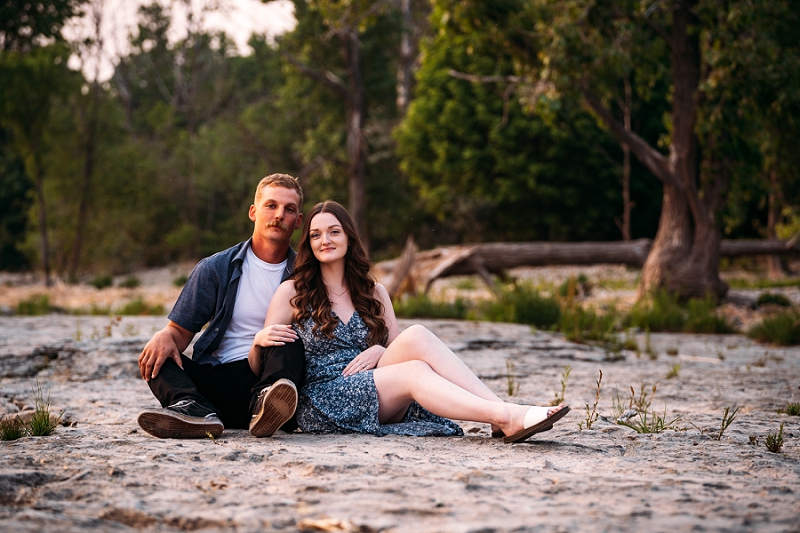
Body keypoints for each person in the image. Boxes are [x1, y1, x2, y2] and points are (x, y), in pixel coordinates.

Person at [248, 201, 569, 443]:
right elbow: (262, 367)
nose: (325, 240)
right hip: (324, 396)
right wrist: (257, 342)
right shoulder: (293, 292)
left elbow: (403, 348)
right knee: (416, 372)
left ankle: (500, 413)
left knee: (417, 335)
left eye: (334, 231)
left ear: (348, 237)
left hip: (377, 385)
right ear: (309, 243)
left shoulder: (375, 292)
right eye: (316, 235)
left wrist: (379, 352)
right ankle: (504, 415)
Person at [136, 173, 306, 439]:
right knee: (157, 356)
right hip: (216, 381)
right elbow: (179, 334)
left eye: (289, 209)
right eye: (271, 205)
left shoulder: (306, 276)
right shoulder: (215, 268)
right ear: (253, 212)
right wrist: (163, 336)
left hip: (269, 385)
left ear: (298, 221)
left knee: (286, 338)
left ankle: (267, 408)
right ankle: (194, 409)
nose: (279, 214)